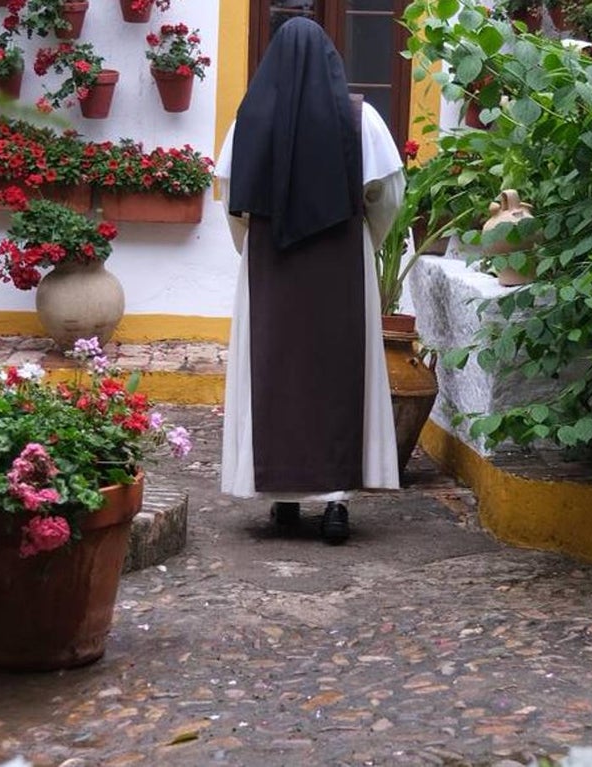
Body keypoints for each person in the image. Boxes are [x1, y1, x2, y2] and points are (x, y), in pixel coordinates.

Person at [214, 17, 403, 544]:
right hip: (342, 261)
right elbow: (386, 193)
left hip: (268, 264)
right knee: (337, 372)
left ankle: (285, 501)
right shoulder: (360, 119)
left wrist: (254, 241)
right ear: (331, 62)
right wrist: (365, 240)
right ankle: (337, 502)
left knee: (274, 373)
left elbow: (231, 197)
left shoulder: (249, 118)